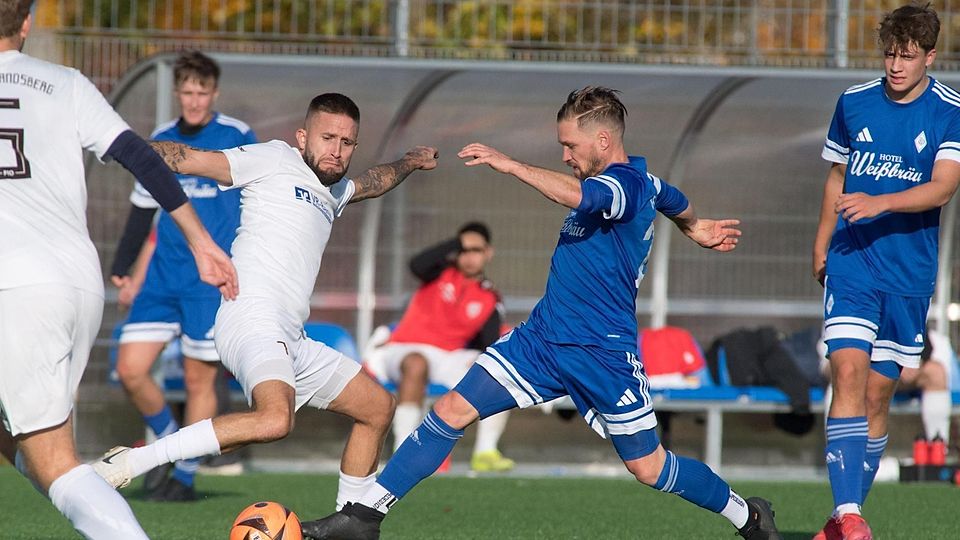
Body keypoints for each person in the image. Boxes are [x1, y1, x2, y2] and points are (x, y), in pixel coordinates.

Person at [300, 86, 780, 540]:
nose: (565, 156)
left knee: (648, 467)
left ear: (603, 140)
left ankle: (748, 514)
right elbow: (672, 197)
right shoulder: (647, 181)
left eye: (570, 146)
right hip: (542, 341)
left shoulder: (623, 185)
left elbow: (586, 197)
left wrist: (510, 165)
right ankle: (364, 517)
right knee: (449, 409)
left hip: (602, 354)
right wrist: (694, 226)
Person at [92, 93, 438, 513]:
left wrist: (410, 161)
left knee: (377, 408)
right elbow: (190, 158)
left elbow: (374, 181)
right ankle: (132, 461)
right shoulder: (274, 158)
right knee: (276, 419)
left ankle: (352, 521)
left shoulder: (336, 191)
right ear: (302, 136)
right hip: (251, 318)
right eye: (327, 138)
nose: (336, 150)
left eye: (347, 143)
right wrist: (123, 147)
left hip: (292, 337)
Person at [0, 2, 238, 538]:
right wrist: (200, 241)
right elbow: (143, 159)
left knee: (54, 459)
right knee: (26, 443)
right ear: (28, 23)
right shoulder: (66, 83)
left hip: (15, 286)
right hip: (72, 281)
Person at [811, 4, 960, 539]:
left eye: (909, 56)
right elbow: (837, 177)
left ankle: (843, 516)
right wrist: (822, 242)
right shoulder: (853, 102)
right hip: (853, 263)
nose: (897, 66)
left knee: (878, 397)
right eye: (890, 55)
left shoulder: (950, 109)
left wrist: (881, 203)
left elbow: (944, 185)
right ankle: (850, 514)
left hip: (908, 276)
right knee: (846, 373)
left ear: (930, 56)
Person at [110, 50, 257, 501]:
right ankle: (170, 441)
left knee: (199, 379)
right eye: (187, 91)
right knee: (130, 369)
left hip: (209, 280)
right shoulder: (162, 137)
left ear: (215, 93)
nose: (194, 100)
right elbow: (142, 206)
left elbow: (256, 200)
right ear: (177, 92)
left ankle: (185, 475)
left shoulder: (236, 136)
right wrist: (125, 267)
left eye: (202, 92)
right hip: (161, 277)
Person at [368, 222, 514, 472]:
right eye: (463, 250)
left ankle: (485, 452)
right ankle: (404, 453)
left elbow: (487, 342)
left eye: (475, 250)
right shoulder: (438, 272)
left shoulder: (489, 297)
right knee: (417, 363)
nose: (469, 257)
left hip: (448, 357)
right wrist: (455, 243)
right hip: (404, 349)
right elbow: (416, 264)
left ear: (488, 253)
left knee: (496, 370)